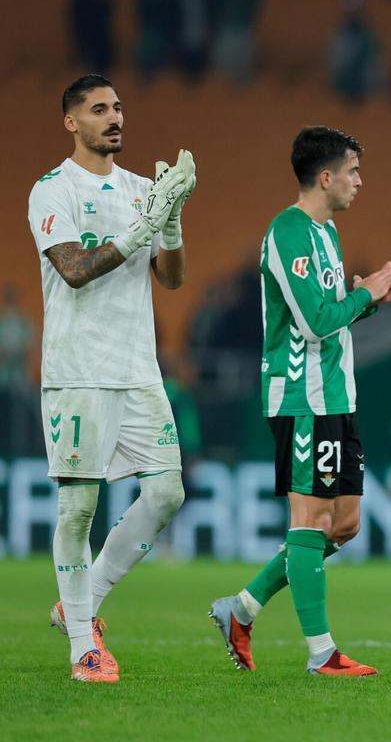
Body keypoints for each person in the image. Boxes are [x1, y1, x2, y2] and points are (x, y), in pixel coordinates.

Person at [208, 126, 391, 676]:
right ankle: (321, 652)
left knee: (344, 523)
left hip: (336, 395)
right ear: (326, 177)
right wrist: (363, 294)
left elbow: (333, 309)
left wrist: (373, 299)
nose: (359, 181)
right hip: (303, 395)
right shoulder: (289, 232)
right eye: (352, 171)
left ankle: (242, 607)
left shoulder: (325, 234)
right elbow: (316, 322)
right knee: (312, 517)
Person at [32, 74, 195, 682]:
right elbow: (73, 270)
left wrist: (170, 220)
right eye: (99, 109)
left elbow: (171, 279)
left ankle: (83, 603)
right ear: (71, 121)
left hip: (137, 370)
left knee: (167, 493)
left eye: (119, 107)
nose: (114, 117)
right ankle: (84, 650)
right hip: (78, 370)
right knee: (78, 510)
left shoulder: (139, 188)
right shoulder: (51, 190)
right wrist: (139, 228)